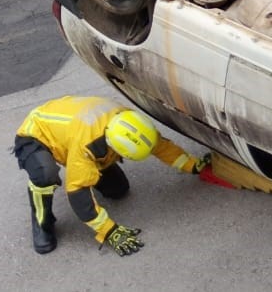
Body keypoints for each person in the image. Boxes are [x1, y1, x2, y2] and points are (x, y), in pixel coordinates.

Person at [13, 95, 209, 256]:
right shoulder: (87, 145)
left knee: (118, 190)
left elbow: (161, 147)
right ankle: (42, 224)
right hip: (38, 132)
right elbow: (77, 192)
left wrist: (194, 166)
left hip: (75, 127)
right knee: (45, 175)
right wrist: (109, 231)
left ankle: (97, 167)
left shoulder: (132, 123)